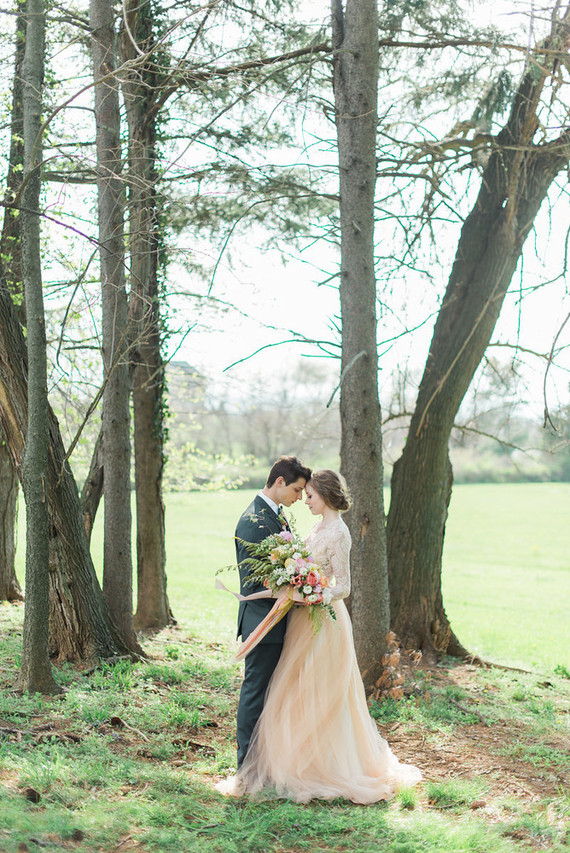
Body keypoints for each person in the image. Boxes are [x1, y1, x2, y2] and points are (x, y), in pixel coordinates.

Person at [217, 469, 422, 803]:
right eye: (302, 492)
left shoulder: (339, 532)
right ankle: (283, 763)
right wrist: (301, 587)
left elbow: (343, 585)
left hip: (323, 619)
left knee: (320, 693)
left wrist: (313, 593)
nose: (304, 500)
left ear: (324, 495)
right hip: (299, 618)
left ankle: (321, 765)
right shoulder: (314, 527)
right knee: (293, 693)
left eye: (309, 495)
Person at [234, 455, 312, 769]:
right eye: (296, 490)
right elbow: (253, 582)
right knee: (255, 694)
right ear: (279, 482)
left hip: (280, 621)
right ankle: (246, 767)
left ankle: (266, 762)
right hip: (263, 621)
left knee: (271, 696)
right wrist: (295, 590)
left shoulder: (274, 515)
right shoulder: (254, 520)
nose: (298, 498)